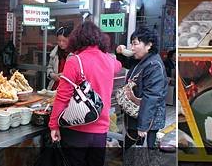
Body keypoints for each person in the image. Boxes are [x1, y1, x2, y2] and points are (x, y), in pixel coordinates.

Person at [49, 22, 122, 166]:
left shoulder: (75, 61)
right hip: (100, 133)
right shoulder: (110, 61)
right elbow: (118, 65)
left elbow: (62, 97)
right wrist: (104, 51)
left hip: (76, 131)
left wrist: (54, 126)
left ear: (76, 40)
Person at [116, 28, 167, 162]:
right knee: (132, 150)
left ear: (149, 45)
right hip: (137, 115)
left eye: (135, 43)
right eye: (131, 44)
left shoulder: (154, 65)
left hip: (148, 120)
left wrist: (143, 125)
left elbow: (152, 97)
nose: (132, 48)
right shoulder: (142, 60)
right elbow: (127, 64)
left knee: (143, 153)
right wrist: (120, 53)